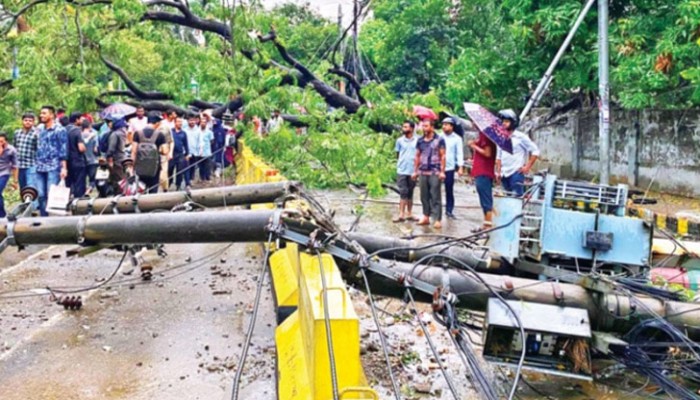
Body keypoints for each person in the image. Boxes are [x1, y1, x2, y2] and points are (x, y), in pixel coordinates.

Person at [495, 109, 540, 196]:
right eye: (503, 121)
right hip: (504, 173)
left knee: (516, 197)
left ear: (513, 123)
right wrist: (498, 171)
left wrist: (527, 167)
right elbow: (499, 156)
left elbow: (535, 151)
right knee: (506, 197)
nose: (504, 123)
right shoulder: (500, 137)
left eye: (507, 121)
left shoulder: (520, 137)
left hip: (516, 172)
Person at [35, 105, 68, 216]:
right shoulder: (39, 129)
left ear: (52, 115)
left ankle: (51, 220)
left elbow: (63, 150)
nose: (41, 116)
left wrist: (64, 168)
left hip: (53, 166)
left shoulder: (60, 130)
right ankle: (43, 218)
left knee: (51, 193)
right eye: (41, 113)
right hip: (39, 165)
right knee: (40, 194)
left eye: (44, 113)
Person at [412, 119, 446, 229]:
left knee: (435, 195)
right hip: (422, 171)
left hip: (434, 171)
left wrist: (442, 171)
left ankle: (437, 218)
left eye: (426, 126)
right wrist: (415, 171)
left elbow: (443, 156)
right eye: (423, 126)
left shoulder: (439, 140)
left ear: (432, 127)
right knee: (424, 195)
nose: (424, 128)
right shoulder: (420, 141)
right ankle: (426, 216)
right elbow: (417, 156)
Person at [469, 126, 497, 231]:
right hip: (481, 171)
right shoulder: (483, 135)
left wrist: (473, 146)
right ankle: (486, 223)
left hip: (484, 171)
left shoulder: (485, 135)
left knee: (486, 199)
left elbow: (487, 153)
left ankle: (488, 224)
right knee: (484, 198)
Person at [393, 121, 418, 223]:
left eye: (406, 127)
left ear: (412, 129)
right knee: (403, 192)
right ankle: (401, 214)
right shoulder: (399, 141)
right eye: (403, 126)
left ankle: (410, 213)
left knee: (410, 192)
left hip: (412, 170)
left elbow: (419, 155)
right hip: (402, 170)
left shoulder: (417, 141)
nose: (403, 128)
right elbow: (398, 154)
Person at [131, 126, 168, 194]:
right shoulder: (160, 134)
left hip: (140, 166)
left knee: (140, 188)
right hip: (154, 168)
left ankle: (141, 203)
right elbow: (165, 151)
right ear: (157, 123)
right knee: (153, 188)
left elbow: (134, 151)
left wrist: (132, 166)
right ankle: (151, 203)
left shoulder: (138, 133)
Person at [440, 117, 464, 219]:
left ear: (451, 126)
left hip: (449, 168)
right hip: (438, 167)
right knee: (434, 189)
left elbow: (459, 153)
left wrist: (460, 167)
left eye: (446, 124)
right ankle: (435, 210)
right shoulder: (439, 137)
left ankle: (449, 210)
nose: (444, 126)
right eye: (443, 124)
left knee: (449, 189)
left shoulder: (457, 139)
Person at [12, 112, 38, 191]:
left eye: (30, 120)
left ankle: (32, 203)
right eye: (26, 120)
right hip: (19, 165)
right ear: (22, 121)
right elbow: (14, 147)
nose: (28, 122)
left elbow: (38, 149)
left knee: (30, 186)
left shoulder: (36, 134)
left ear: (33, 122)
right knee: (22, 188)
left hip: (31, 164)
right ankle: (25, 203)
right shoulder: (17, 133)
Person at [65, 112, 87, 197]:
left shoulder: (64, 129)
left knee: (69, 183)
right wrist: (85, 148)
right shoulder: (77, 130)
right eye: (81, 118)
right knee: (79, 183)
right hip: (77, 160)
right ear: (77, 119)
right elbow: (81, 148)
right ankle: (79, 203)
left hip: (67, 161)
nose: (83, 120)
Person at [106, 117, 129, 195]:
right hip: (123, 158)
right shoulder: (123, 133)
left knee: (118, 181)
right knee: (123, 179)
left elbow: (111, 149)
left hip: (116, 160)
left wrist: (109, 158)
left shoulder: (115, 134)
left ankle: (120, 198)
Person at [0, 133, 19, 218]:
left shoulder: (11, 150)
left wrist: (15, 181)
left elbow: (15, 166)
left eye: (2, 141)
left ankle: (1, 215)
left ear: (6, 141)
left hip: (4, 172)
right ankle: (2, 212)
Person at [169, 118, 191, 190]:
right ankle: (169, 183)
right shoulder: (171, 132)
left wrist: (187, 154)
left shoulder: (183, 133)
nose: (180, 123)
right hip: (172, 153)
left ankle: (178, 185)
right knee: (170, 169)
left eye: (181, 122)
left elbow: (186, 144)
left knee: (180, 170)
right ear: (175, 123)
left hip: (180, 154)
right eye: (178, 122)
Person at [81, 119, 100, 195]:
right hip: (93, 160)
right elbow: (96, 149)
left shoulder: (80, 135)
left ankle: (84, 191)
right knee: (92, 179)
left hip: (83, 160)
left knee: (84, 178)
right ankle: (89, 190)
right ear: (89, 126)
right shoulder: (94, 135)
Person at [183, 114, 202, 182]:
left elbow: (200, 141)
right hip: (186, 152)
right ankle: (185, 181)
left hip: (195, 152)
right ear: (188, 121)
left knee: (192, 167)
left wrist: (200, 150)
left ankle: (190, 180)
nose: (192, 122)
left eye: (193, 120)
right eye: (190, 120)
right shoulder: (184, 130)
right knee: (185, 167)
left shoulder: (198, 130)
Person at [199, 116, 214, 182]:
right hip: (199, 151)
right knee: (201, 166)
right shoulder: (197, 131)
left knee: (207, 165)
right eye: (202, 122)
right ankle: (202, 178)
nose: (203, 123)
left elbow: (212, 141)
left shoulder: (209, 132)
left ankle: (208, 177)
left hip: (207, 151)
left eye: (204, 122)